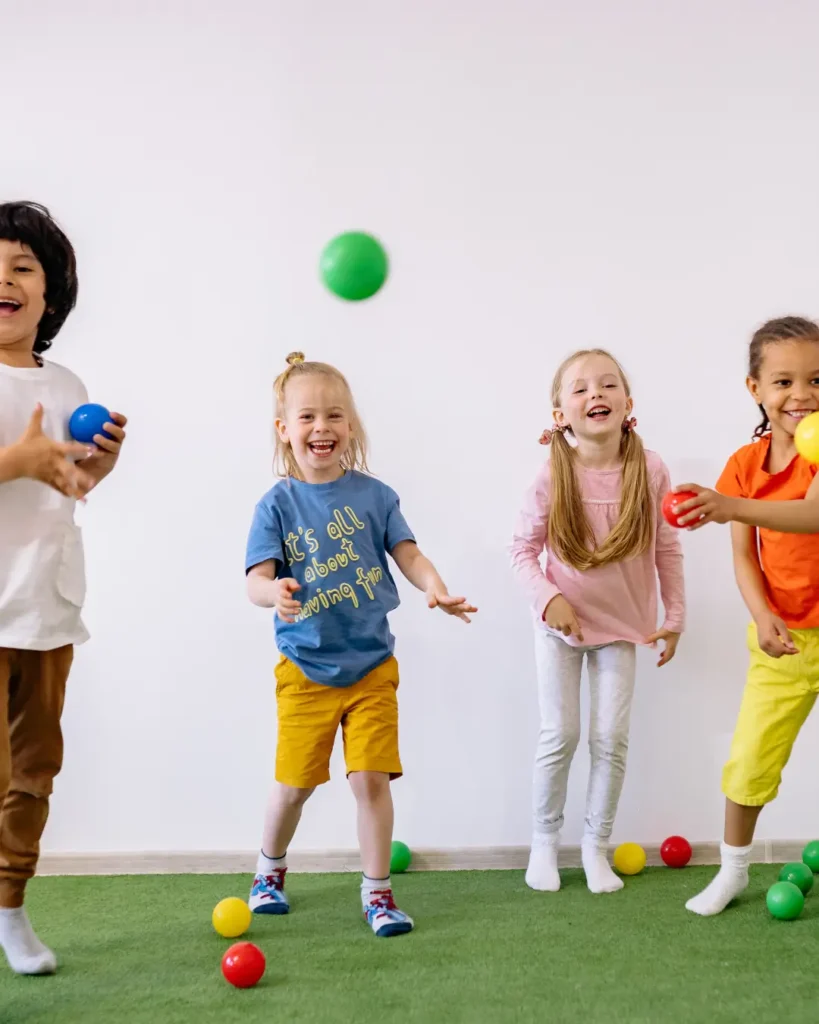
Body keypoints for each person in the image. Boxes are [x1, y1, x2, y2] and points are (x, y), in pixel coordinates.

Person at [244, 352, 476, 937]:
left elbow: (408, 554)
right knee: (294, 787)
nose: (321, 427)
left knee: (369, 780)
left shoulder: (376, 496)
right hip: (305, 670)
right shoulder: (276, 504)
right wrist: (275, 593)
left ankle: (378, 894)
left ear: (351, 427)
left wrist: (435, 587)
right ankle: (268, 871)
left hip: (373, 667)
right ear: (285, 430)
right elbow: (254, 581)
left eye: (334, 416)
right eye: (307, 417)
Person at [0, 201, 127, 973]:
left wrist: (93, 472)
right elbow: (23, 467)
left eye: (23, 268)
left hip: (46, 607)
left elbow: (67, 484)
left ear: (52, 294)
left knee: (33, 772)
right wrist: (16, 461)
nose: (5, 281)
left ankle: (9, 911)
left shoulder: (66, 380)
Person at [510, 348, 685, 894]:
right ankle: (544, 844)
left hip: (622, 625)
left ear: (628, 404)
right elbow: (521, 549)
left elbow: (668, 547)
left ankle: (594, 848)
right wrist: (548, 600)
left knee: (610, 738)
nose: (596, 395)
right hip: (560, 625)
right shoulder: (551, 473)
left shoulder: (650, 469)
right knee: (559, 733)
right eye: (581, 389)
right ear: (559, 413)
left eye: (608, 385)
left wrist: (674, 615)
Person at [671, 316, 819, 916]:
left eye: (816, 379)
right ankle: (732, 872)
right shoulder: (743, 464)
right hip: (786, 639)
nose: (802, 394)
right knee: (751, 759)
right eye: (784, 381)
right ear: (754, 388)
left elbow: (813, 516)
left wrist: (728, 505)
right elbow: (744, 555)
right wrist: (761, 616)